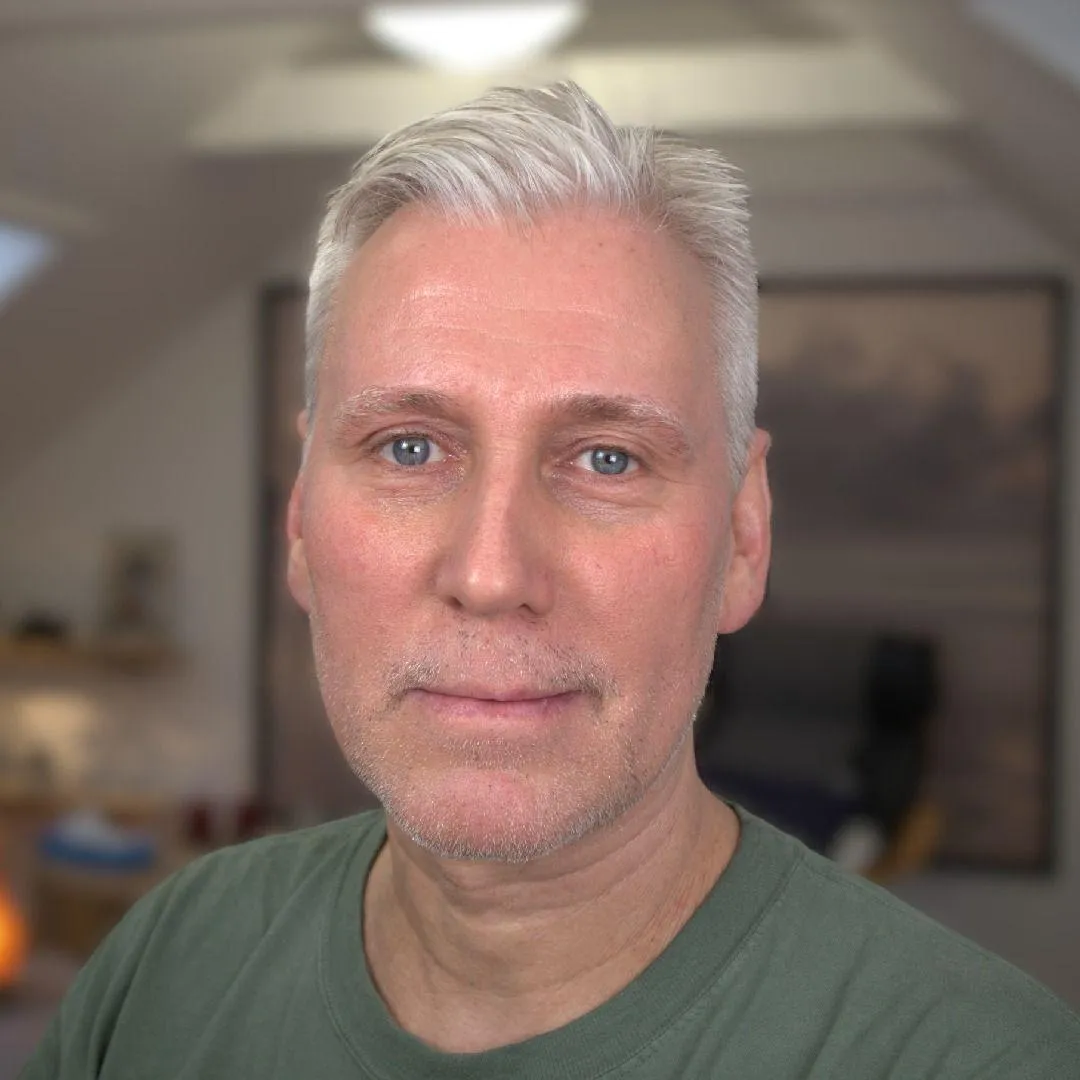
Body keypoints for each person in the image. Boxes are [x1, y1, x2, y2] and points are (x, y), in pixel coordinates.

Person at [21, 82, 1080, 1079]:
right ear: (301, 520)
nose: (491, 574)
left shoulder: (972, 1058)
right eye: (407, 448)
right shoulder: (166, 967)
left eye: (608, 459)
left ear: (744, 537)